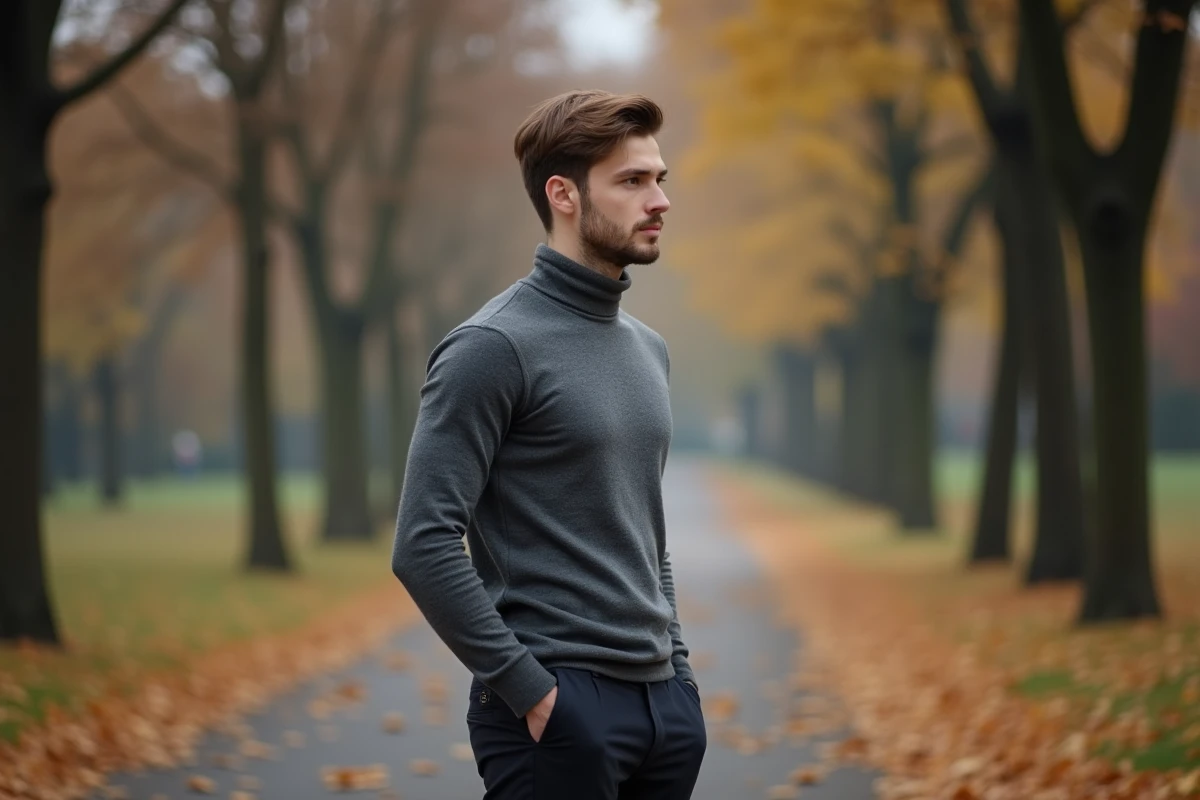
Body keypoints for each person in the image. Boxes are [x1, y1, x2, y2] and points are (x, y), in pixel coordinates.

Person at [392, 89, 705, 799]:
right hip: (559, 705)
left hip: (663, 708)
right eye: (632, 181)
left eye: (660, 178)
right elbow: (422, 541)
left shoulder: (647, 349)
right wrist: (531, 692)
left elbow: (643, 533)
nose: (658, 200)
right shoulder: (491, 347)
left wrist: (678, 675)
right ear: (562, 194)